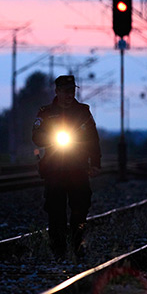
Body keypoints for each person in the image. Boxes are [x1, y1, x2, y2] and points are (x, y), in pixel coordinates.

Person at [32, 75, 101, 257]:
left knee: (80, 207)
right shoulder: (46, 112)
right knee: (56, 210)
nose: (69, 95)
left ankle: (77, 243)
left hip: (78, 168)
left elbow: (93, 139)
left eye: (71, 91)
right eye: (65, 91)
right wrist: (50, 138)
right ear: (57, 92)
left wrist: (95, 163)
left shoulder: (83, 112)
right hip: (54, 168)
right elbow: (36, 136)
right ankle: (59, 249)